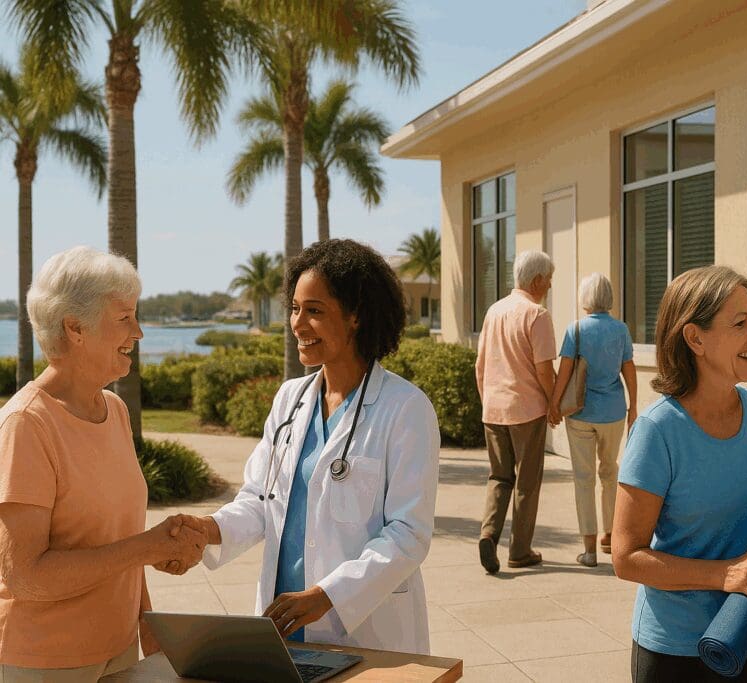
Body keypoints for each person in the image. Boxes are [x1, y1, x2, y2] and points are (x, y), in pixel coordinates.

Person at [175, 239, 440, 655]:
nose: (298, 324)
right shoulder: (289, 400)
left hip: (364, 630)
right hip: (282, 625)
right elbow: (260, 501)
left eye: (315, 310)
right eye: (295, 309)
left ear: (355, 317)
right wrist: (208, 529)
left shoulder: (404, 408)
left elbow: (409, 534)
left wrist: (327, 595)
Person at [0, 246, 206, 680]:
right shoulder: (25, 424)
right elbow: (26, 576)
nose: (139, 332)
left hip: (119, 650)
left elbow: (122, 539)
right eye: (124, 319)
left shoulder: (114, 410)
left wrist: (148, 627)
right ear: (75, 327)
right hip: (44, 661)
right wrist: (150, 547)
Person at [613, 265, 747, 682]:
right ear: (695, 338)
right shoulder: (658, 431)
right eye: (740, 323)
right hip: (678, 653)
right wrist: (724, 574)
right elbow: (626, 557)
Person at [475, 250, 557, 574]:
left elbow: (479, 365)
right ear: (537, 280)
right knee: (527, 481)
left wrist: (487, 401)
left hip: (493, 409)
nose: (550, 285)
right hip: (527, 410)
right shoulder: (537, 314)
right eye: (549, 279)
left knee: (499, 477)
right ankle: (520, 551)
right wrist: (553, 405)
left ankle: (488, 534)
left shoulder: (494, 311)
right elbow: (544, 370)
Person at [550, 273, 637, 567]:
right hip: (613, 412)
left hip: (581, 414)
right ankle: (610, 538)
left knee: (583, 479)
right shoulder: (621, 330)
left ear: (584, 297)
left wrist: (553, 405)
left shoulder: (576, 329)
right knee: (610, 472)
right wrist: (633, 406)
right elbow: (629, 369)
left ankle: (588, 549)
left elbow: (564, 372)